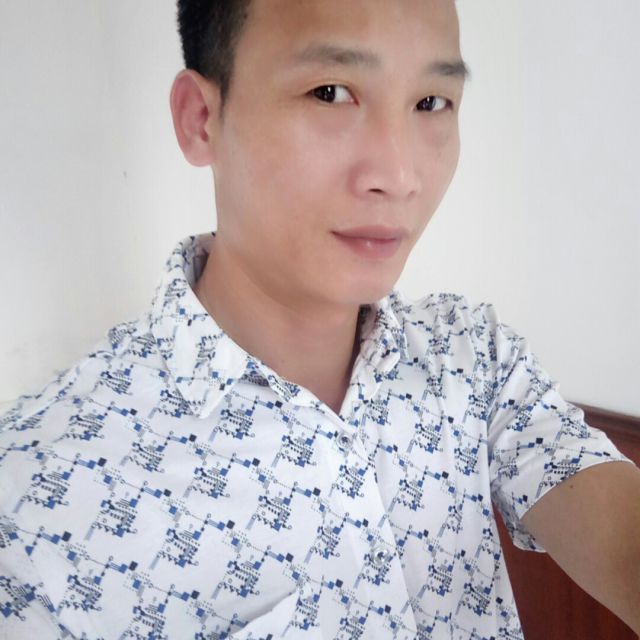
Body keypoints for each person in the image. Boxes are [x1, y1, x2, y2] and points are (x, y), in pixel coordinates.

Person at [1, 1, 639, 638]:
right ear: (201, 120)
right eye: (330, 93)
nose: (399, 176)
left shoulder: (473, 359)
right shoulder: (32, 512)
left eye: (431, 102)